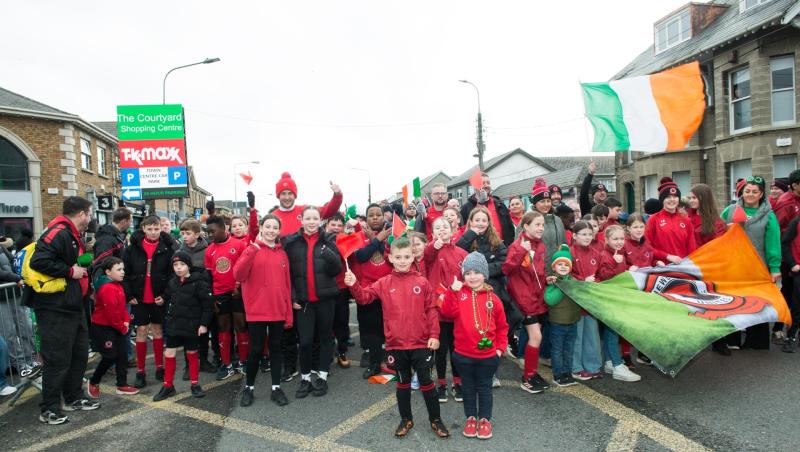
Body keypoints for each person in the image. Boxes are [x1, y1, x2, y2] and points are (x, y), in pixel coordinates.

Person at [344, 237, 450, 439]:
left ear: (413, 257)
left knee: (427, 382)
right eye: (398, 257)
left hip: (421, 343)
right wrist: (353, 284)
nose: (402, 260)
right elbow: (363, 298)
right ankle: (406, 419)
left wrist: (435, 335)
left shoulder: (422, 282)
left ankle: (435, 419)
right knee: (403, 384)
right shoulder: (383, 283)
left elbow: (431, 311)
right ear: (390, 258)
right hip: (396, 345)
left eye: (407, 257)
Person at [29, 196, 99, 424]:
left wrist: (83, 264)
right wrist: (70, 272)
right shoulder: (58, 231)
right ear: (81, 214)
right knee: (58, 358)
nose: (90, 218)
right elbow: (38, 261)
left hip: (73, 305)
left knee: (78, 354)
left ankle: (73, 397)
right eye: (89, 214)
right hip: (55, 308)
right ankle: (49, 409)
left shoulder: (71, 233)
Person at [442, 252, 508, 440]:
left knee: (485, 388)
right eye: (468, 273)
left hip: (488, 356)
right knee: (468, 388)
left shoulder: (493, 299)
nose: (472, 277)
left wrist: (499, 350)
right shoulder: (459, 293)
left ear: (485, 274)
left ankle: (485, 419)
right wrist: (452, 291)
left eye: (477, 272)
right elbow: (447, 312)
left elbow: (503, 327)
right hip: (463, 355)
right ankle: (471, 417)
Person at [234, 214, 293, 407]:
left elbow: (286, 285)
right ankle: (249, 388)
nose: (271, 231)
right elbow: (239, 274)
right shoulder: (251, 249)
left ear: (279, 231)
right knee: (256, 350)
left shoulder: (282, 254)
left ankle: (276, 387)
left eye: (275, 228)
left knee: (276, 350)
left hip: (277, 309)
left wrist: (288, 314)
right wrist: (253, 250)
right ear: (261, 227)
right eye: (267, 226)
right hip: (256, 310)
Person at [283, 206, 342, 398]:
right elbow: (288, 275)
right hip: (304, 303)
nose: (311, 222)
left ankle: (322, 377)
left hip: (325, 301)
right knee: (306, 342)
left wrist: (329, 256)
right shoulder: (292, 243)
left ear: (320, 221)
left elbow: (337, 269)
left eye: (315, 218)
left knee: (326, 339)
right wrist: (292, 298)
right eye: (307, 218)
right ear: (301, 219)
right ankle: (306, 378)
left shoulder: (329, 240)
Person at [721, 176, 781, 350]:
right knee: (733, 302)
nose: (750, 194)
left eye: (755, 192)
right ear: (742, 192)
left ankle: (757, 342)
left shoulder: (769, 216)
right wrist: (727, 229)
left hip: (757, 267)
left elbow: (773, 243)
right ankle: (732, 340)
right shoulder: (730, 210)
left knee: (757, 303)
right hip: (733, 265)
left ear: (761, 194)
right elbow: (717, 233)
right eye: (747, 191)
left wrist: (775, 267)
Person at [153, 251, 214, 401]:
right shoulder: (173, 281)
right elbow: (168, 294)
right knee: (169, 354)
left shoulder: (199, 282)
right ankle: (168, 386)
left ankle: (195, 384)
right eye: (175, 265)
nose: (178, 268)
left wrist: (204, 324)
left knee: (192, 354)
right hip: (174, 325)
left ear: (189, 265)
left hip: (192, 325)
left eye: (182, 265)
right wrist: (162, 299)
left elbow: (208, 306)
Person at [123, 215, 175, 389]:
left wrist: (165, 295)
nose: (153, 233)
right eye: (150, 229)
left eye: (157, 229)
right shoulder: (132, 249)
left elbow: (172, 275)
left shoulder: (168, 247)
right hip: (139, 298)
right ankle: (140, 371)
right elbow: (126, 273)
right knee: (142, 330)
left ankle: (160, 367)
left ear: (161, 229)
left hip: (158, 297)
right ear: (143, 229)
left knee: (158, 330)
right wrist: (129, 294)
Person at [502, 211, 549, 394]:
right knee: (536, 337)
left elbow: (539, 272)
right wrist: (521, 251)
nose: (541, 228)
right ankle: (528, 377)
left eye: (542, 225)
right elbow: (507, 269)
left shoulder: (540, 246)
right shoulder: (517, 245)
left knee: (535, 337)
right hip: (524, 299)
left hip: (537, 297)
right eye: (537, 224)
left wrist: (548, 279)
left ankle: (531, 372)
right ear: (526, 226)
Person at [424, 217, 467, 403]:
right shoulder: (431, 251)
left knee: (457, 349)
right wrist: (434, 245)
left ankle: (458, 382)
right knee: (440, 350)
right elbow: (427, 255)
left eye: (445, 227)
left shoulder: (462, 253)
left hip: (457, 309)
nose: (442, 230)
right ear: (432, 233)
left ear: (453, 230)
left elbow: (469, 277)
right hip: (437, 309)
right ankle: (441, 383)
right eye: (437, 228)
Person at [349, 204, 393, 379]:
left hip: (390, 288)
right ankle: (374, 364)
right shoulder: (359, 236)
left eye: (378, 214)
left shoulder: (392, 235)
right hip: (369, 289)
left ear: (384, 217)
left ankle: (392, 361)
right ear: (366, 218)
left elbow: (392, 257)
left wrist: (381, 240)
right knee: (373, 330)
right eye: (371, 215)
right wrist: (374, 239)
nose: (375, 217)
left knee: (390, 327)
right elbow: (361, 256)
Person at [86, 257, 138, 399]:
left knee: (122, 355)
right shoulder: (108, 287)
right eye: (119, 270)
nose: (123, 272)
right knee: (110, 356)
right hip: (104, 328)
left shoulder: (116, 284)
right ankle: (94, 381)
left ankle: (122, 384)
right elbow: (111, 312)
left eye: (123, 269)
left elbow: (121, 308)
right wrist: (122, 327)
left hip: (118, 326)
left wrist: (126, 321)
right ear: (108, 272)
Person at [205, 215, 248, 380]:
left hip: (237, 293)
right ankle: (227, 364)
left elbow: (246, 270)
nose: (210, 235)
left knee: (241, 325)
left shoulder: (239, 245)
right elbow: (209, 276)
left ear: (224, 229)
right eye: (207, 232)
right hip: (220, 294)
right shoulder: (210, 250)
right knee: (223, 327)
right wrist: (212, 297)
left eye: (212, 231)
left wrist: (240, 287)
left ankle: (243, 361)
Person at [595, 225, 641, 382]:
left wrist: (628, 268)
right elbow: (604, 276)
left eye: (621, 238)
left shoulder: (619, 254)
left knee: (612, 332)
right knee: (612, 332)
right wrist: (614, 263)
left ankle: (609, 362)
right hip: (609, 299)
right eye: (615, 239)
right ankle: (617, 365)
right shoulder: (605, 255)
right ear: (606, 239)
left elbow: (620, 274)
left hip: (617, 298)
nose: (619, 242)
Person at [178, 219, 217, 373]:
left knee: (203, 330)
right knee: (188, 332)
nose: (184, 237)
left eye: (188, 233)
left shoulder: (207, 249)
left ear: (197, 234)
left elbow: (212, 273)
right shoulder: (180, 251)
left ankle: (204, 360)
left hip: (203, 295)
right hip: (187, 297)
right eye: (182, 234)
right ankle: (189, 365)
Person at [569, 221, 603, 381]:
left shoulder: (596, 253)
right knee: (577, 336)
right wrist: (582, 281)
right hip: (575, 302)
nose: (587, 237)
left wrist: (595, 283)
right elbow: (566, 277)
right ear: (574, 236)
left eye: (590, 234)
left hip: (590, 303)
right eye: (583, 234)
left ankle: (593, 366)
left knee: (592, 336)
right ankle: (576, 368)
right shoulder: (569, 252)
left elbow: (601, 276)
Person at [544, 244, 580, 387]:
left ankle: (567, 373)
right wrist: (562, 286)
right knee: (558, 350)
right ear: (554, 267)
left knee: (569, 350)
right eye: (560, 264)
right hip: (557, 323)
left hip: (573, 322)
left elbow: (581, 296)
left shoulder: (574, 282)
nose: (563, 266)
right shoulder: (553, 283)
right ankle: (557, 375)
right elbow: (549, 300)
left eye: (566, 264)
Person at [271, 172, 343, 237]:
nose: (287, 197)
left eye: (290, 193)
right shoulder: (273, 216)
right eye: (283, 194)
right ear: (278, 196)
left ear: (295, 195)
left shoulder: (305, 210)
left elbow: (329, 211)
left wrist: (337, 195)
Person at [644, 177, 697, 264]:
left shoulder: (686, 220)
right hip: (662, 268)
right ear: (662, 200)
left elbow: (692, 248)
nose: (672, 200)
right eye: (668, 197)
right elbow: (646, 247)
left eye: (675, 196)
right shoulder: (653, 219)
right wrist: (667, 256)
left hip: (683, 268)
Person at [324, 213, 352, 368]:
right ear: (327, 225)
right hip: (325, 287)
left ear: (343, 227)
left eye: (339, 225)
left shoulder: (346, 240)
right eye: (333, 224)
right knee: (326, 323)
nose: (335, 227)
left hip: (341, 287)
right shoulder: (321, 240)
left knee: (341, 322)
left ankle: (342, 351)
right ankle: (327, 353)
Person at [460, 173, 515, 246]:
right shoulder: (467, 207)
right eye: (483, 183)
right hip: (478, 250)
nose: (486, 185)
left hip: (502, 248)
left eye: (488, 183)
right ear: (475, 186)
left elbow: (510, 227)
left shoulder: (499, 204)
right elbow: (462, 231)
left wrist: (509, 245)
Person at [91, 208, 131, 277]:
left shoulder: (119, 237)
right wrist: (104, 283)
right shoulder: (106, 239)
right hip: (110, 282)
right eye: (130, 221)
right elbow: (101, 264)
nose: (130, 224)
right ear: (124, 221)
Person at [780, 215, 800, 352]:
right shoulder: (796, 221)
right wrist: (793, 264)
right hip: (799, 269)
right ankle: (791, 337)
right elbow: (784, 243)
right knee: (797, 305)